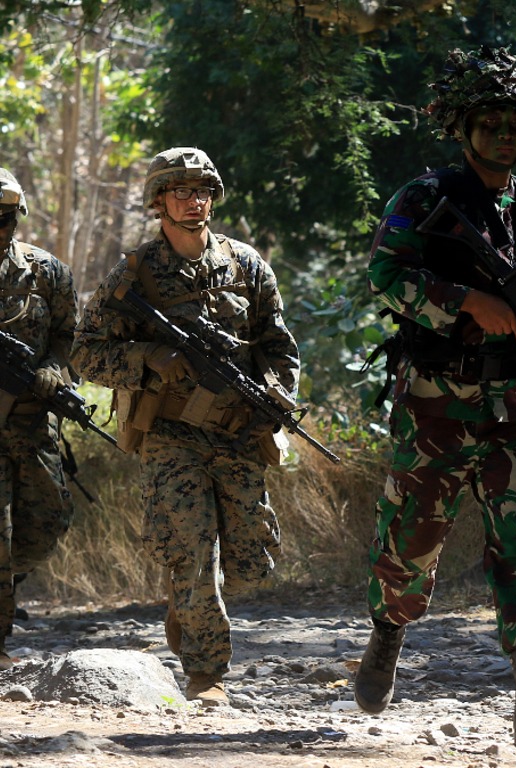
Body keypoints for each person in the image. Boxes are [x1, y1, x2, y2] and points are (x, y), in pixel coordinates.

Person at [356, 46, 516, 746]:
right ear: (463, 128)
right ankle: (386, 637)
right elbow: (385, 274)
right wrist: (465, 301)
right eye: (489, 123)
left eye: (515, 124)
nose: (504, 135)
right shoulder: (425, 198)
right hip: (437, 406)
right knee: (411, 544)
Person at [71, 147, 299, 706]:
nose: (194, 200)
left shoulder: (246, 266)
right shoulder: (135, 274)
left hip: (238, 429)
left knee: (248, 560)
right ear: (158, 201)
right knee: (194, 552)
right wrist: (147, 357)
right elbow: (84, 354)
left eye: (202, 191)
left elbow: (278, 346)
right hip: (171, 435)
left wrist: (276, 392)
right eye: (180, 191)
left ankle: (185, 602)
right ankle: (207, 673)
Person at [0, 167, 79, 671]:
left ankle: (7, 583)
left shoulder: (45, 271)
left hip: (30, 423)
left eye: (5, 218)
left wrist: (53, 366)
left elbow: (70, 334)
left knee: (46, 524)